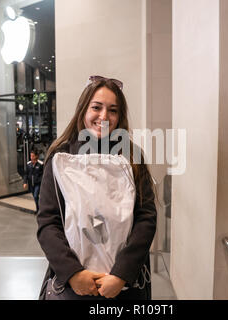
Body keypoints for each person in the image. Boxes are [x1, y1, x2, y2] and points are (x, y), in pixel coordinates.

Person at [36, 75, 157, 300]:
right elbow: (48, 222)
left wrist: (121, 275)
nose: (104, 116)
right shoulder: (61, 157)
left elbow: (146, 218)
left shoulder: (131, 157)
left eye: (113, 110)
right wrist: (73, 273)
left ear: (120, 116)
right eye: (96, 107)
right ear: (83, 110)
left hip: (123, 287)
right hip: (73, 286)